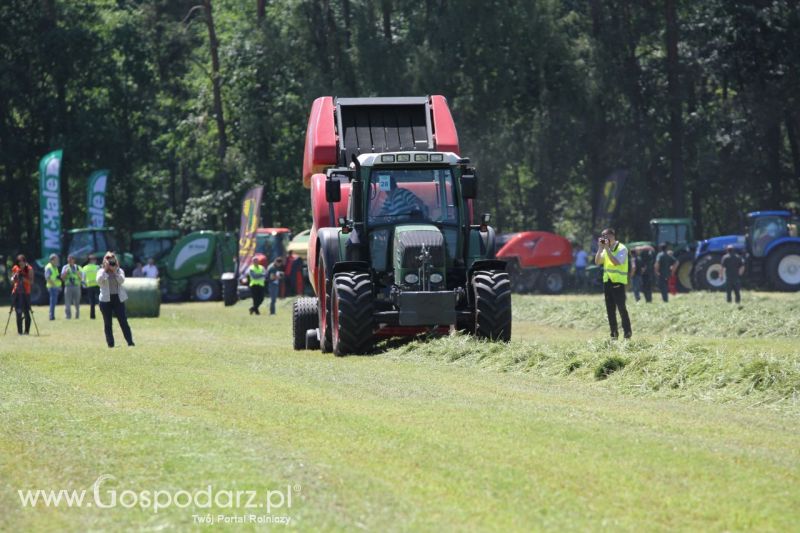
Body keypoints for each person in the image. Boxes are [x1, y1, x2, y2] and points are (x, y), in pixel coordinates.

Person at [594, 228, 632, 339]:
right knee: (610, 309)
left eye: (606, 236)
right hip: (607, 282)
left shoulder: (622, 248)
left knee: (621, 307)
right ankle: (614, 334)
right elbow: (597, 262)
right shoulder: (606, 249)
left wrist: (607, 249)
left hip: (618, 282)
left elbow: (616, 262)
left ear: (612, 236)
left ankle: (627, 332)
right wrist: (600, 249)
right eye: (602, 236)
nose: (604, 238)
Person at [97, 251, 134, 347]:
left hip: (118, 298)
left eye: (112, 261)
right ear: (105, 261)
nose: (111, 263)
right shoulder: (101, 271)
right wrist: (105, 270)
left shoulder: (119, 270)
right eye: (109, 261)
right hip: (105, 300)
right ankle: (110, 344)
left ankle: (130, 342)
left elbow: (122, 281)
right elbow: (99, 281)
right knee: (108, 323)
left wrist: (114, 271)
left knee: (123, 321)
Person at [10, 254, 34, 335]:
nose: (20, 264)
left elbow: (31, 282)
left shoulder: (29, 269)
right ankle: (20, 332)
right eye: (19, 262)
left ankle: (26, 331)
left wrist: (23, 279)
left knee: (27, 312)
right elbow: (12, 280)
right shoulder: (15, 268)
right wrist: (14, 277)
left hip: (26, 293)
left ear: (25, 261)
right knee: (18, 312)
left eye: (22, 262)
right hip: (16, 292)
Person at [61, 255, 82, 319]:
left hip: (76, 286)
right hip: (68, 286)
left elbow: (81, 278)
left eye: (71, 259)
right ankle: (68, 316)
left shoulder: (78, 267)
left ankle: (77, 316)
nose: (69, 261)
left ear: (73, 260)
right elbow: (62, 277)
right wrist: (65, 273)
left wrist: (78, 274)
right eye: (68, 259)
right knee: (67, 302)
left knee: (77, 302)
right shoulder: (65, 267)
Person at [82, 254, 100, 319]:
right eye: (94, 259)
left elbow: (83, 278)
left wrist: (84, 286)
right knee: (100, 300)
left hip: (89, 286)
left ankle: (92, 316)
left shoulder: (84, 268)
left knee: (92, 302)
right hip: (97, 285)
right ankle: (104, 313)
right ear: (91, 260)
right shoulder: (97, 267)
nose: (95, 261)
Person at [44, 253, 61, 320]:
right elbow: (47, 278)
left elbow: (56, 277)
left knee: (54, 302)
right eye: (56, 259)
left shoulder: (55, 267)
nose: (57, 260)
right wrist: (55, 286)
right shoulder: (49, 267)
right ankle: (51, 316)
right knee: (53, 302)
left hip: (55, 287)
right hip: (52, 287)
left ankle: (52, 316)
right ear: (52, 260)